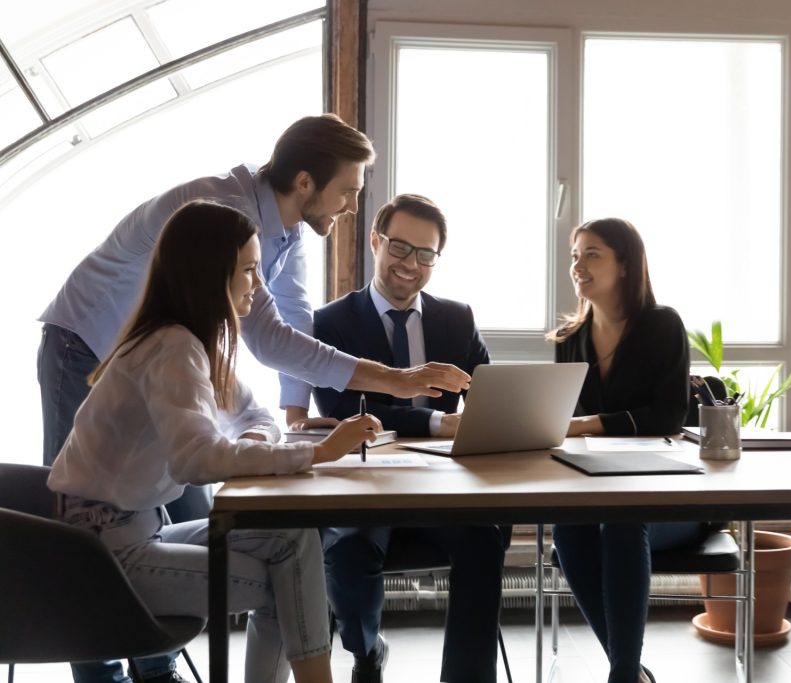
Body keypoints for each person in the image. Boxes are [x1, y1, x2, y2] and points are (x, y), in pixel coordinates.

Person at [37, 115, 468, 683]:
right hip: (85, 343)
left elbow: (280, 334)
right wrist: (319, 446)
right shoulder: (214, 218)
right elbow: (248, 366)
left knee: (271, 533)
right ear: (308, 181)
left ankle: (162, 668)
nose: (350, 207)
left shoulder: (271, 249)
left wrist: (292, 422)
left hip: (147, 469)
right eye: (348, 191)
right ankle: (118, 673)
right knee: (143, 537)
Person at [47, 200, 382, 683]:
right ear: (213, 275)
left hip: (136, 533)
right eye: (248, 269)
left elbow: (256, 414)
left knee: (294, 538)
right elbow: (196, 460)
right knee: (283, 582)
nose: (258, 284)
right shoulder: (171, 348)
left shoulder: (187, 342)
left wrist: (254, 440)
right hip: (105, 559)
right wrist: (321, 451)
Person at [293, 194, 508, 683]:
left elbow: (490, 392)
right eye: (400, 247)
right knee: (346, 554)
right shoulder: (330, 323)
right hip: (363, 486)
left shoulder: (457, 318)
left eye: (426, 253)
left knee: (485, 541)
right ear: (375, 241)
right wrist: (436, 423)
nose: (411, 264)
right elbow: (344, 411)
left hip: (441, 487)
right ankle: (367, 653)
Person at [548, 218, 712, 683]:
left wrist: (589, 423)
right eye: (574, 255)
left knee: (621, 521)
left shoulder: (662, 325)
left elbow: (668, 416)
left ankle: (622, 674)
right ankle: (629, 672)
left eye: (592, 253)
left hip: (669, 499)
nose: (578, 264)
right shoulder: (570, 340)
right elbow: (562, 423)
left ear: (625, 264)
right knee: (569, 528)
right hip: (598, 489)